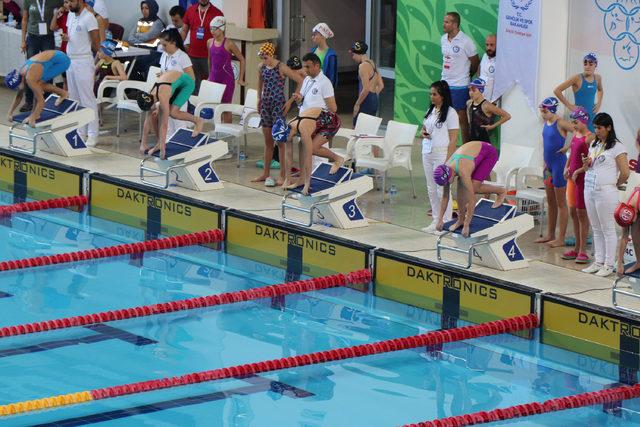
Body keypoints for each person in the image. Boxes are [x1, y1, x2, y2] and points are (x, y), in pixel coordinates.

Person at [283, 53, 343, 194]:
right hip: (307, 120)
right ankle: (302, 179)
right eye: (304, 66)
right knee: (302, 148)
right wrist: (298, 99)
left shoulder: (325, 83)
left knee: (312, 150)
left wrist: (318, 113)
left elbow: (333, 109)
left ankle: (337, 159)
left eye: (308, 66)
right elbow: (302, 101)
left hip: (324, 123)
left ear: (317, 65)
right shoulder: (308, 80)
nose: (306, 69)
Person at [581, 113, 629, 277]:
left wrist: (614, 184)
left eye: (599, 128)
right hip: (590, 189)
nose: (597, 131)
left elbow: (625, 172)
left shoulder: (617, 146)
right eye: (595, 128)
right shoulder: (594, 144)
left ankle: (609, 264)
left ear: (609, 127)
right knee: (596, 228)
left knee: (607, 228)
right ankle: (598, 261)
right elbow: (590, 167)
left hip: (606, 191)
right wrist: (586, 164)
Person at [254, 42, 303, 185]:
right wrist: (258, 98)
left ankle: (282, 176)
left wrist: (289, 102)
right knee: (268, 142)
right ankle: (265, 173)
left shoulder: (281, 67)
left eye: (265, 57)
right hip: (265, 105)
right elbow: (259, 83)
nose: (263, 60)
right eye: (262, 57)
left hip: (278, 106)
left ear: (272, 55)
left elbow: (300, 81)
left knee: (280, 142)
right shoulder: (261, 67)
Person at [433, 140, 506, 237]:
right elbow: (445, 196)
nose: (446, 185)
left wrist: (467, 225)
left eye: (446, 183)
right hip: (472, 153)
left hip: (489, 153)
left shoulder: (463, 171)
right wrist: (439, 220)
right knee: (460, 189)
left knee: (474, 188)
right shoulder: (446, 169)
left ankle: (501, 191)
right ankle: (460, 219)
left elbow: (472, 199)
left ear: (450, 176)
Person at [137, 71, 204, 158]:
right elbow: (147, 120)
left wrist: (163, 148)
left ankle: (198, 120)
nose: (151, 109)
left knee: (173, 113)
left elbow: (164, 124)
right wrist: (143, 144)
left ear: (153, 102)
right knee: (152, 114)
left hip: (187, 84)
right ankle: (159, 143)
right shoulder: (150, 94)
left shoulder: (162, 95)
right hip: (173, 84)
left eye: (151, 107)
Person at [536, 97, 574, 247]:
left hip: (559, 165)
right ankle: (550, 234)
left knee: (561, 204)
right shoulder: (547, 122)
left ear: (552, 110)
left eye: (544, 111)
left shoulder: (561, 122)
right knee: (550, 203)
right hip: (548, 166)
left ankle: (561, 238)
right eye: (541, 111)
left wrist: (568, 147)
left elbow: (581, 132)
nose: (542, 114)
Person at [421, 80, 458, 234]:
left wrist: (448, 162)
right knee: (431, 189)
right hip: (427, 151)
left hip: (441, 153)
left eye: (434, 94)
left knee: (441, 189)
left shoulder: (451, 113)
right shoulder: (431, 110)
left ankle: (446, 220)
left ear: (442, 95)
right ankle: (436, 220)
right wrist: (423, 133)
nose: (432, 97)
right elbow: (424, 128)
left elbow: (454, 139)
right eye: (431, 94)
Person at [562, 107, 594, 264]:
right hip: (572, 180)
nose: (573, 125)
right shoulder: (576, 135)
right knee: (573, 213)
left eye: (575, 122)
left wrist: (578, 171)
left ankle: (583, 250)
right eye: (572, 122)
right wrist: (566, 167)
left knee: (582, 215)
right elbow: (571, 154)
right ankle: (576, 248)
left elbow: (591, 162)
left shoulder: (590, 138)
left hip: (582, 179)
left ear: (584, 121)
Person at [441, 11, 479, 144]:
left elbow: (475, 62)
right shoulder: (443, 39)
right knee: (444, 114)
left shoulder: (466, 41)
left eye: (447, 22)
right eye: (444, 21)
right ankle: (446, 144)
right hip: (445, 82)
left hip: (460, 84)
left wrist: (467, 75)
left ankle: (465, 147)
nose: (444, 24)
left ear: (455, 24)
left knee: (461, 117)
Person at [20, 0, 65, 113]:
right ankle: (29, 101)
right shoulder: (28, 1)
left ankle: (47, 100)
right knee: (30, 69)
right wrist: (23, 41)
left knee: (47, 69)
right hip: (32, 37)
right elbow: (25, 19)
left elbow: (66, 6)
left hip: (48, 38)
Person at [65, 0, 100, 146]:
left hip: (83, 61)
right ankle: (80, 131)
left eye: (71, 1)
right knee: (75, 99)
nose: (69, 4)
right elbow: (72, 36)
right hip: (70, 60)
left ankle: (92, 134)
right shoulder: (70, 15)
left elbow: (96, 44)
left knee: (87, 99)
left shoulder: (89, 18)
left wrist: (84, 50)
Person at [6, 50, 70, 127]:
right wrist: (10, 113)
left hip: (62, 61)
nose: (17, 90)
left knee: (37, 86)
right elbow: (18, 96)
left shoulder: (30, 78)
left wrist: (33, 117)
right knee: (36, 87)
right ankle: (35, 112)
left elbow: (41, 100)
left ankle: (63, 93)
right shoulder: (21, 74)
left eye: (16, 88)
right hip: (54, 55)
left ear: (19, 82)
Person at [207, 16, 246, 123]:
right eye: (211, 28)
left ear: (222, 28)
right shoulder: (209, 42)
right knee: (216, 107)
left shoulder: (229, 43)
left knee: (225, 108)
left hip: (227, 79)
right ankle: (218, 132)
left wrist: (241, 79)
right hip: (214, 78)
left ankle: (228, 136)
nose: (212, 31)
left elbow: (242, 59)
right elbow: (210, 60)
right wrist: (209, 76)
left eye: (215, 29)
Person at [181, 0, 223, 92]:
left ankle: (209, 105)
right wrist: (179, 46)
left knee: (211, 85)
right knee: (192, 85)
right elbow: (184, 30)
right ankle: (194, 105)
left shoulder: (217, 13)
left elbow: (221, 36)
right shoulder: (190, 10)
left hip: (210, 57)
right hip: (192, 56)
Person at [553, 53, 603, 131]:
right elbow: (557, 90)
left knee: (592, 141)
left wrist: (599, 103)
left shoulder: (597, 78)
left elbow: (600, 90)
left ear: (595, 65)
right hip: (580, 120)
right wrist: (570, 106)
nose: (587, 66)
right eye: (585, 63)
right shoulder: (577, 78)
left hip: (592, 117)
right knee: (580, 141)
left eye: (590, 64)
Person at [350, 40, 384, 126]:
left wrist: (357, 104)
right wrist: (373, 96)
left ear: (358, 53)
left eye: (353, 54)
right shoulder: (372, 63)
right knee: (369, 129)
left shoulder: (363, 66)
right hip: (374, 100)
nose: (353, 57)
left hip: (366, 100)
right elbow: (381, 85)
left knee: (358, 129)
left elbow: (366, 89)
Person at [466, 78, 510, 143]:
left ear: (481, 90)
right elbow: (470, 121)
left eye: (474, 90)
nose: (471, 93)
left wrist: (492, 126)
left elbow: (507, 116)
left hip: (483, 141)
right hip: (472, 139)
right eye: (470, 90)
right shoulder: (469, 103)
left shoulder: (486, 105)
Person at [310, 23, 338, 88]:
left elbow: (332, 77)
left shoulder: (331, 55)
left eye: (315, 34)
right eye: (312, 35)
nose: (312, 37)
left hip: (323, 88)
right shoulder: (313, 51)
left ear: (322, 35)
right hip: (312, 86)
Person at [478, 34, 497, 102]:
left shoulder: (501, 61)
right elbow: (479, 68)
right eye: (487, 45)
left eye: (492, 45)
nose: (489, 47)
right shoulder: (485, 56)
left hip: (493, 101)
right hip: (480, 98)